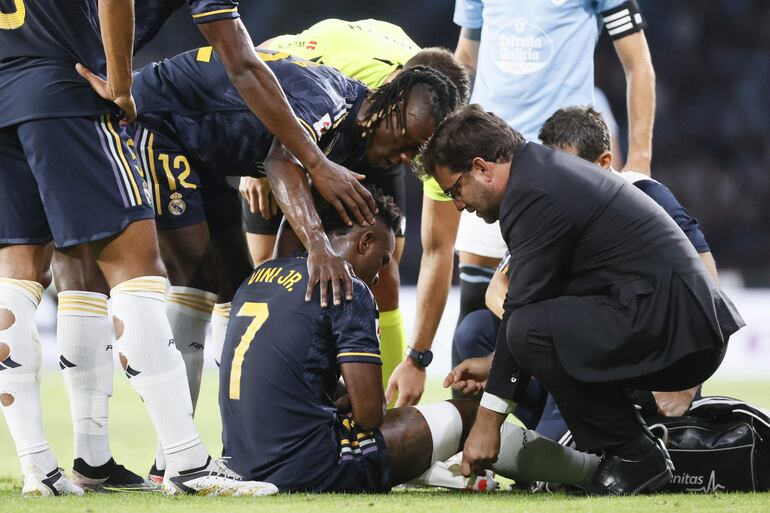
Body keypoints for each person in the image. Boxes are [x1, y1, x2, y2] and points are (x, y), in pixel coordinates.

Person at [49, 0, 381, 491]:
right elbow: (245, 62)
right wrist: (293, 165)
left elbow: (265, 62)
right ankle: (174, 462)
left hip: (187, 138)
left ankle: (207, 454)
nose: (402, 158)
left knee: (232, 285)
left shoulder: (353, 94)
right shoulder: (346, 98)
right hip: (146, 119)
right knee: (182, 280)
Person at [0, 0, 276, 497]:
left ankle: (40, 467)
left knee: (18, 275)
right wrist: (122, 85)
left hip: (4, 95)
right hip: (68, 87)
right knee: (136, 268)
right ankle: (190, 467)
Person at [420, 105, 744, 495]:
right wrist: (497, 365)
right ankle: (629, 453)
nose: (457, 204)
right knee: (527, 330)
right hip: (673, 326)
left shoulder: (533, 192)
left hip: (679, 334)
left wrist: (488, 423)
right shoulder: (539, 175)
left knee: (526, 329)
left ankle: (634, 454)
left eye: (455, 189)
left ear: (482, 168)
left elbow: (523, 312)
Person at [219, 188, 602, 492]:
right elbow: (370, 416)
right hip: (305, 468)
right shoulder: (346, 285)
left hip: (241, 460)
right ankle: (593, 472)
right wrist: (358, 399)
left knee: (400, 432)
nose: (383, 272)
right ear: (365, 240)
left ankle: (442, 469)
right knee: (472, 414)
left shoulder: (263, 274)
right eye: (385, 258)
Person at [403, 0, 658, 407]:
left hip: (558, 166)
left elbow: (637, 63)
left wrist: (640, 161)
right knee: (476, 319)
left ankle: (571, 434)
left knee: (559, 311)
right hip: (484, 166)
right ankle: (478, 450)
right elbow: (465, 59)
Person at [237, 18, 470, 391]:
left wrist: (418, 358)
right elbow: (258, 58)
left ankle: (384, 411)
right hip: (305, 127)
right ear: (394, 89)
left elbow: (438, 250)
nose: (413, 159)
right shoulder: (338, 55)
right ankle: (280, 397)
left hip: (375, 139)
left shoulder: (432, 132)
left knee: (384, 267)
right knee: (272, 271)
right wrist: (255, 158)